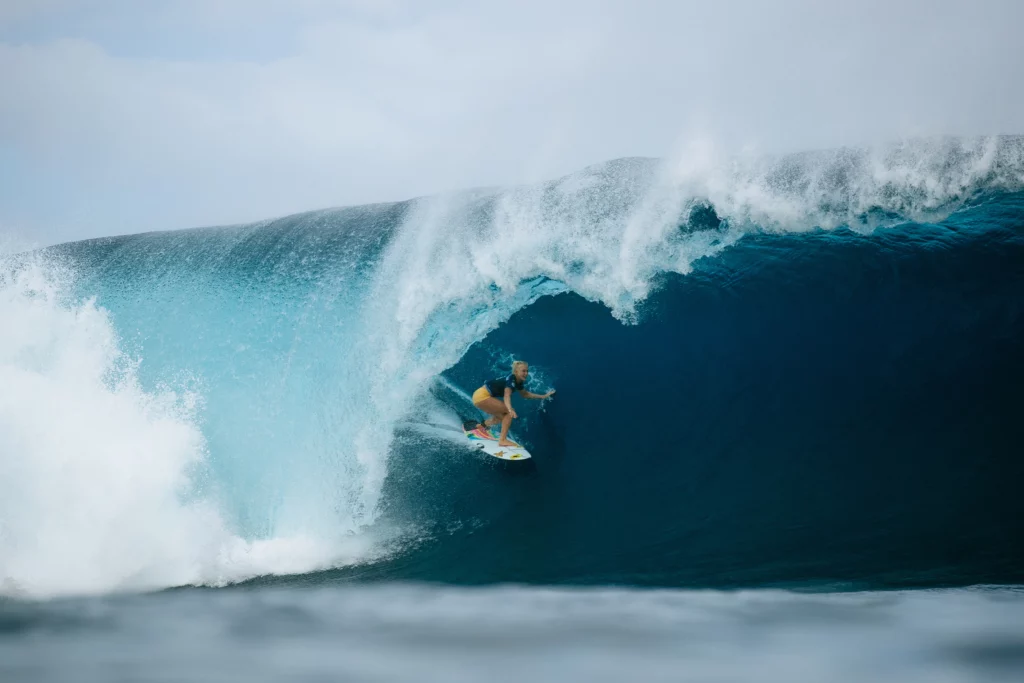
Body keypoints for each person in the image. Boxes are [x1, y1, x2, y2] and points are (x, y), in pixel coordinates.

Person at [471, 360, 555, 447]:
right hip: (482, 396)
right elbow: (507, 396)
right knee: (508, 413)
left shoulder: (518, 382)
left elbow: (525, 394)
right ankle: (502, 440)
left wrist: (544, 396)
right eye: (523, 371)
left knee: (501, 417)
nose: (526, 373)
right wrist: (510, 409)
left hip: (480, 396)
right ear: (516, 371)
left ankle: (480, 426)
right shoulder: (511, 380)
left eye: (527, 371)